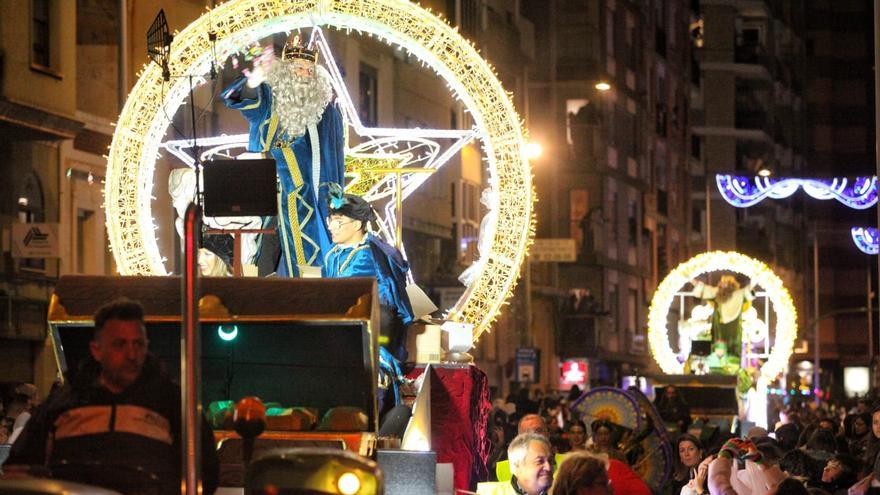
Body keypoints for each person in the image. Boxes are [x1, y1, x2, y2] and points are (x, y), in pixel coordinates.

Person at [7, 298, 219, 494]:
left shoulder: (172, 404)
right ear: (97, 350)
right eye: (120, 344)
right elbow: (20, 467)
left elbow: (204, 473)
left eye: (138, 344)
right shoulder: (62, 403)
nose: (131, 354)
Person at [223, 35, 345, 277]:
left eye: (310, 70)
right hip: (264, 192)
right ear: (285, 73)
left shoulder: (327, 112)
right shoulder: (268, 100)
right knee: (257, 255)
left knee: (311, 260)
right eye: (299, 68)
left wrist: (336, 199)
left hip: (310, 198)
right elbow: (235, 98)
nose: (305, 74)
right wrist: (254, 80)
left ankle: (308, 303)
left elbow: (335, 158)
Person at [321, 183, 415, 362]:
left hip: (370, 329)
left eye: (338, 222)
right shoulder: (334, 252)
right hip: (343, 321)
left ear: (357, 224)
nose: (331, 227)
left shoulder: (367, 254)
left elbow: (342, 288)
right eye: (330, 220)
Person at [690, 275, 755, 357]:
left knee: (732, 347)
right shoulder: (717, 292)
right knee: (718, 346)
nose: (724, 284)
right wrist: (692, 280)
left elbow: (747, 292)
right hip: (719, 326)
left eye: (727, 282)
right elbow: (704, 289)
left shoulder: (738, 294)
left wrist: (753, 283)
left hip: (733, 327)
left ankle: (732, 363)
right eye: (723, 282)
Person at [477, 433, 553, 495]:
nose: (548, 467)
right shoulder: (487, 493)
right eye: (539, 461)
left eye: (550, 461)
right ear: (516, 466)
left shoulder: (562, 490)